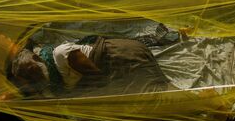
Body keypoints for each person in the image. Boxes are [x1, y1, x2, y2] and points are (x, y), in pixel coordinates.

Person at [9, 34, 177, 97]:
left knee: (155, 98)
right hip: (112, 69)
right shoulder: (51, 79)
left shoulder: (61, 55)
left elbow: (97, 74)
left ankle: (194, 99)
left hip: (123, 58)